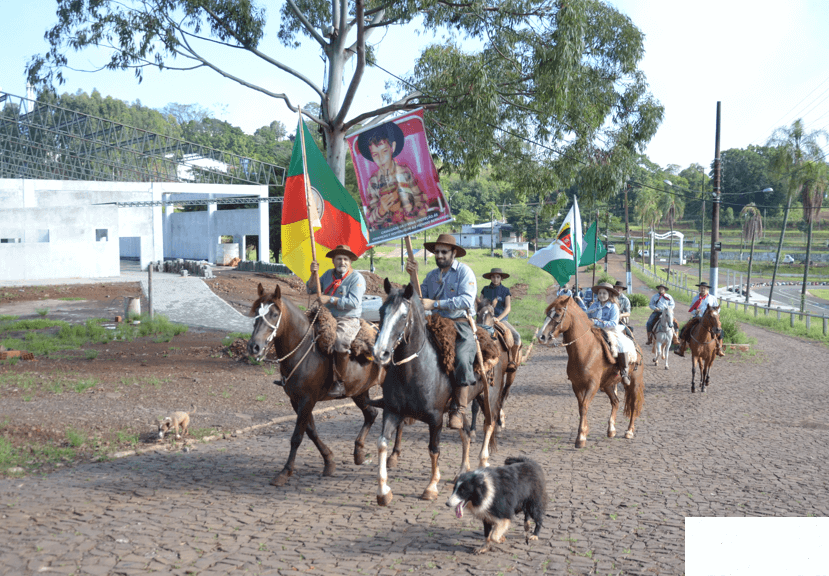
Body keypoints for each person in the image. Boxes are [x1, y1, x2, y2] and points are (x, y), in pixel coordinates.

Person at [406, 233, 476, 430]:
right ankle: (412, 401)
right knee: (411, 351)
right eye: (437, 252)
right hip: (434, 322)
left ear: (454, 253)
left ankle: (459, 409)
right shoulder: (430, 276)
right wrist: (413, 277)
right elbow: (419, 299)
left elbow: (467, 300)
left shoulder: (464, 272)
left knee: (462, 358)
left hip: (459, 323)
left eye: (444, 252)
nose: (440, 255)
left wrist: (435, 303)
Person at [306, 245, 366, 398]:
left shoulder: (356, 278)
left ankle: (340, 381)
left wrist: (330, 299)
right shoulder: (327, 275)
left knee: (339, 341)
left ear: (350, 261)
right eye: (339, 258)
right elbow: (311, 289)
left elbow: (354, 302)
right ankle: (303, 374)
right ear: (333, 261)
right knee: (303, 332)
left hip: (347, 318)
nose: (342, 262)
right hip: (326, 315)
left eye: (346, 259)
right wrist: (313, 274)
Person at [356, 122, 428, 229]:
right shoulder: (373, 182)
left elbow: (421, 199)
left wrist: (413, 217)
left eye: (384, 151)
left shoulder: (405, 172)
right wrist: (381, 210)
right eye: (375, 154)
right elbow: (370, 220)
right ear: (371, 156)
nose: (381, 158)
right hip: (389, 231)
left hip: (411, 224)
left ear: (392, 147)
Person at [575, 282, 634, 385]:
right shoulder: (595, 305)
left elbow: (613, 323)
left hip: (610, 330)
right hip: (595, 329)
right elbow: (587, 315)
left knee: (621, 344)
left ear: (610, 294)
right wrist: (580, 302)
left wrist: (597, 322)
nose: (601, 295)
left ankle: (624, 372)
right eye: (600, 293)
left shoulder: (613, 307)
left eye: (604, 293)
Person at [480, 268, 520, 373]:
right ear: (490, 278)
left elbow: (508, 308)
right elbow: (480, 306)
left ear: (501, 278)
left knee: (516, 336)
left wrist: (498, 318)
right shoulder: (485, 289)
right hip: (485, 319)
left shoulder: (505, 291)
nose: (495, 279)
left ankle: (512, 360)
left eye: (498, 277)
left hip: (501, 319)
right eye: (493, 277)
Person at [675, 281, 725, 358]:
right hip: (698, 317)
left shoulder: (712, 298)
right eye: (701, 288)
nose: (703, 289)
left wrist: (714, 314)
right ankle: (681, 347)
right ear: (699, 288)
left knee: (719, 330)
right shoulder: (696, 298)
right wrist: (695, 311)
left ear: (707, 289)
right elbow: (691, 309)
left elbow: (718, 308)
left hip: (709, 319)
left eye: (704, 288)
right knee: (685, 328)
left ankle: (719, 348)